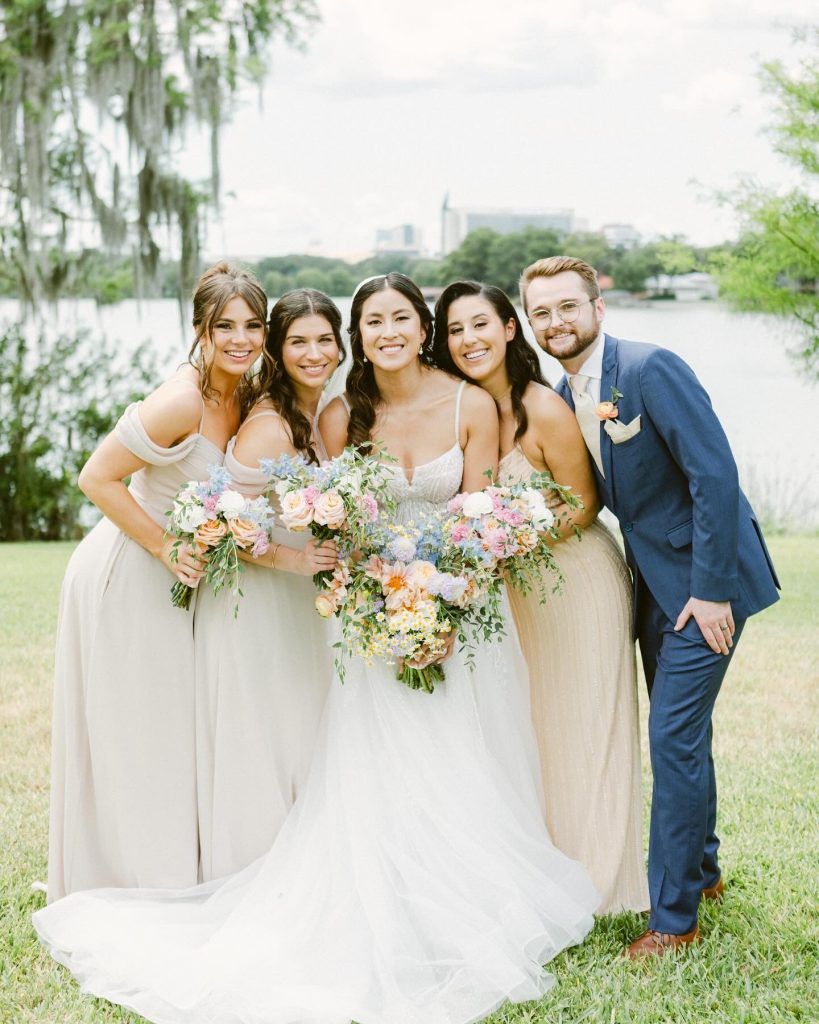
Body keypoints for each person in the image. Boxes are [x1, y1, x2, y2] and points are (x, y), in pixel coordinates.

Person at [33, 273, 598, 1024]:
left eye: (397, 318)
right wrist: (364, 592)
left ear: (419, 328)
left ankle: (465, 884)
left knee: (468, 751)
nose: (382, 333)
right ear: (355, 339)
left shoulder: (469, 406)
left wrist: (439, 595)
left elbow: (475, 508)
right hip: (365, 613)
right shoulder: (336, 415)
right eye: (368, 322)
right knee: (367, 765)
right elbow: (307, 518)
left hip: (450, 604)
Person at [519, 255, 781, 957]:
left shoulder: (646, 367)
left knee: (669, 738)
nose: (555, 322)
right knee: (683, 736)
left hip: (704, 586)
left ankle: (673, 921)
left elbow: (714, 474)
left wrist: (710, 589)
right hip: (653, 588)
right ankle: (704, 872)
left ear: (596, 306)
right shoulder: (562, 388)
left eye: (566, 307)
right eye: (540, 312)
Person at [46, 261, 268, 901]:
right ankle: (130, 878)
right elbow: (94, 478)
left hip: (181, 573)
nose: (240, 339)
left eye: (252, 325)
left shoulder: (244, 392)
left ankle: (172, 865)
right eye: (224, 325)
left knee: (170, 727)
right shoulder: (182, 399)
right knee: (139, 727)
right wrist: (166, 545)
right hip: (130, 569)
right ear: (199, 329)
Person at [434, 279, 649, 915]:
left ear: (508, 328)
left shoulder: (542, 407)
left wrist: (513, 539)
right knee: (534, 732)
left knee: (586, 728)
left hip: (576, 582)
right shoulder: (460, 409)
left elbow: (585, 505)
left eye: (481, 324)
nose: (468, 340)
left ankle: (602, 886)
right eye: (454, 330)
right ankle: (541, 874)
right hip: (514, 594)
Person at [195, 289, 342, 881]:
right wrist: (295, 561)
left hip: (297, 605)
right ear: (277, 353)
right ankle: (253, 873)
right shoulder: (270, 425)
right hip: (257, 604)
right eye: (298, 342)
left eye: (325, 339)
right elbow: (227, 520)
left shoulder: (316, 412)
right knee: (263, 734)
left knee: (297, 731)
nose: (314, 353)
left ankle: (297, 865)